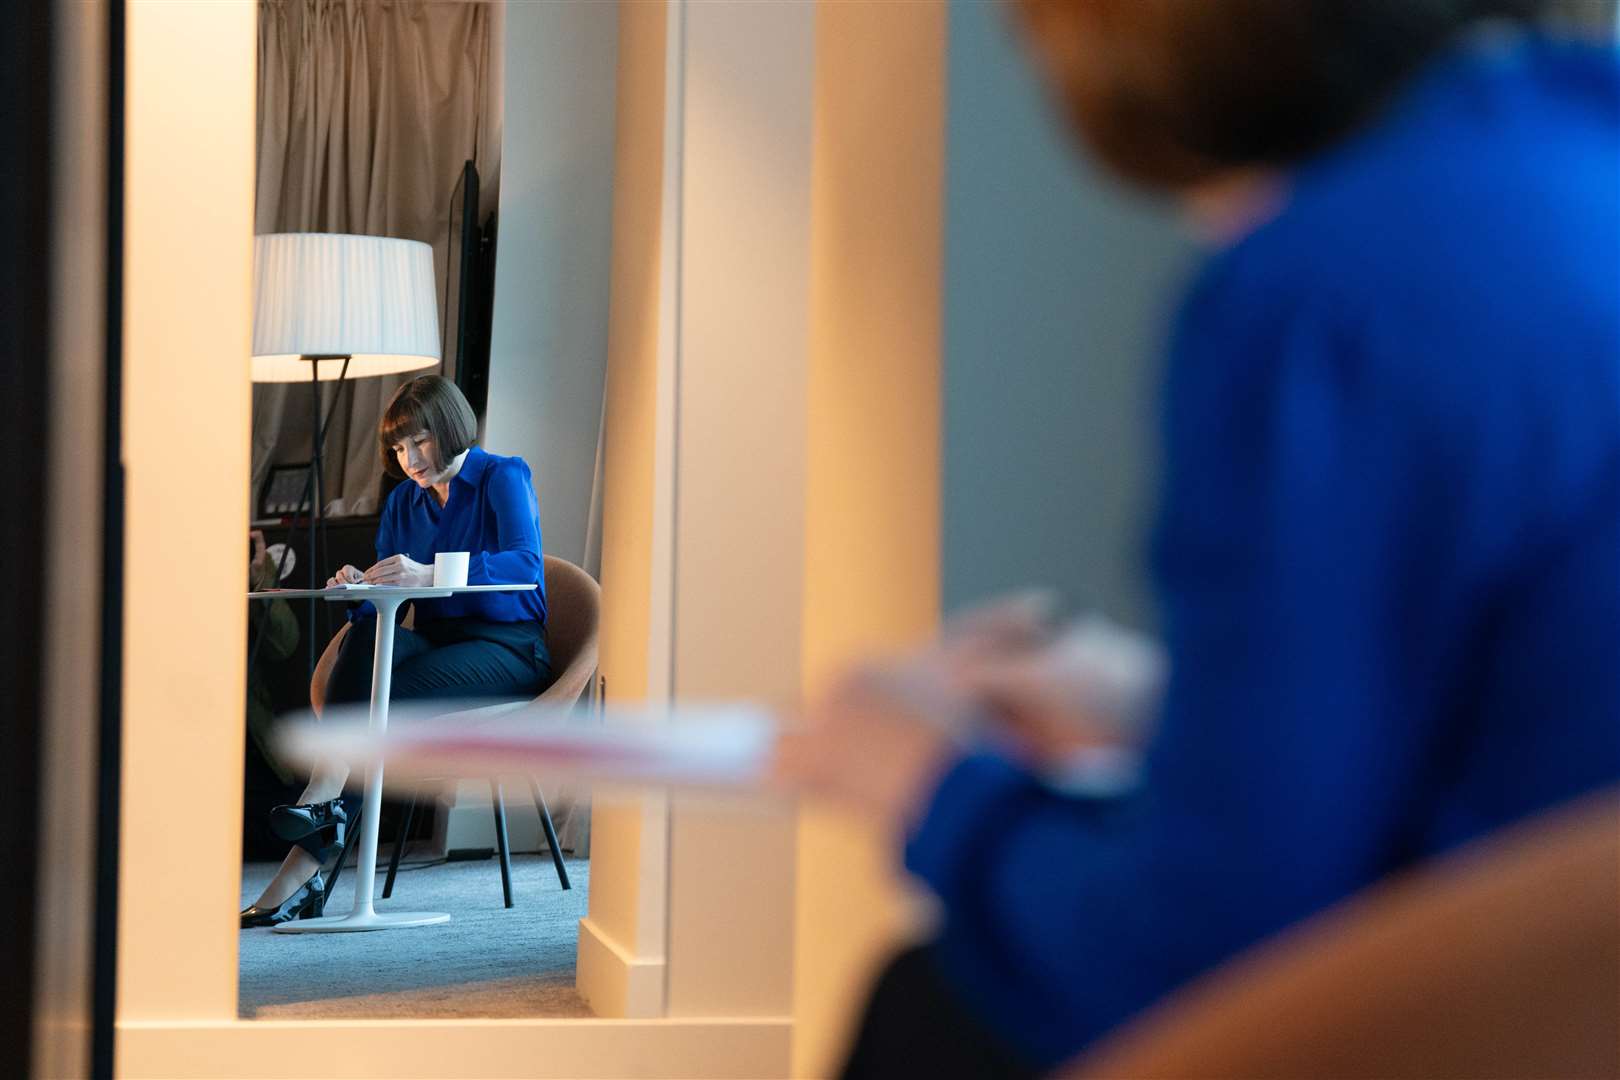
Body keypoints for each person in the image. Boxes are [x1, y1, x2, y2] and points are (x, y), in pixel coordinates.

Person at [779, 0, 1620, 1075]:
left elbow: (1192, 949)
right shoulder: (1585, 145)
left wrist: (924, 781)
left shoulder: (1320, 301)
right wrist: (1163, 710)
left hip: (1488, 1018)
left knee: (930, 1013)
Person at [241, 375, 555, 927]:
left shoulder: (502, 475)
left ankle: (310, 840)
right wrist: (358, 587)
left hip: (509, 650)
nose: (409, 458)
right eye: (399, 447)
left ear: (451, 429)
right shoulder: (405, 503)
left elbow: (525, 567)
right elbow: (382, 602)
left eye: (421, 441)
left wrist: (430, 572)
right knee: (366, 642)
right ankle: (322, 811)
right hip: (439, 647)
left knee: (382, 696)